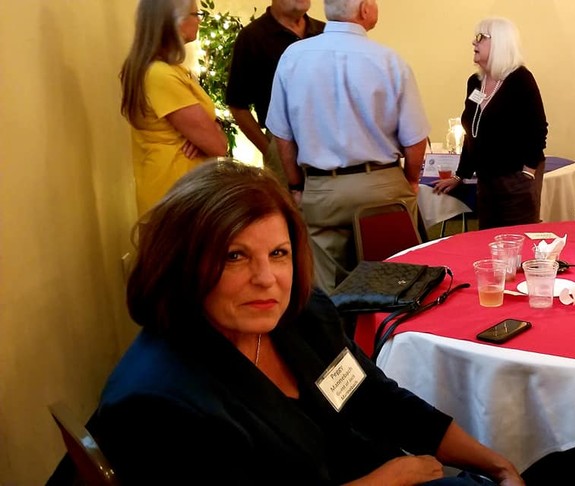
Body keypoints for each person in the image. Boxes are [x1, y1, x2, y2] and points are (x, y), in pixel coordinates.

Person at [88, 160, 524, 485]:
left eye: (278, 253)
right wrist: (388, 479)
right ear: (180, 263)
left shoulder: (298, 318)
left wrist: (497, 464)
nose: (266, 279)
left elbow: (376, 398)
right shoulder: (156, 404)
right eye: (235, 256)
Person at [267, 0, 429, 293]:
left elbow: (282, 135)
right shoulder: (389, 61)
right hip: (381, 184)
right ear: (364, 10)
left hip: (322, 188)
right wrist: (412, 179)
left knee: (326, 288)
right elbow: (415, 137)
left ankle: (335, 322)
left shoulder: (293, 57)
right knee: (395, 281)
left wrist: (296, 185)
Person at [432, 17, 548, 229]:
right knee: (488, 240)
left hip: (516, 180)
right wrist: (460, 175)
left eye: (480, 37)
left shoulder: (520, 79)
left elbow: (538, 128)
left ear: (500, 43)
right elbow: (472, 133)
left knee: (516, 239)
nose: (473, 42)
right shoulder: (475, 82)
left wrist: (528, 171)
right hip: (486, 182)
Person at [119, 0, 228, 215]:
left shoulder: (169, 70)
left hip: (177, 192)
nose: (199, 21)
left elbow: (212, 138)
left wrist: (210, 128)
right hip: (177, 196)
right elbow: (218, 146)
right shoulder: (161, 75)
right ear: (174, 22)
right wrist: (209, 133)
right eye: (195, 15)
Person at [225, 0, 325, 186]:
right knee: (288, 203)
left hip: (328, 141)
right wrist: (270, 150)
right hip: (281, 141)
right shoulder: (252, 37)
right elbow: (237, 105)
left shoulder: (324, 32)